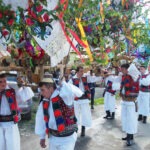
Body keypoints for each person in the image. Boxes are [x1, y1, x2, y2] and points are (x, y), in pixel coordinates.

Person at [35, 75, 83, 150]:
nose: (41, 93)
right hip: (53, 138)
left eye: (43, 90)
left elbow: (76, 93)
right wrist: (42, 137)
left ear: (50, 89)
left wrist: (63, 83)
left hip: (67, 139)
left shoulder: (64, 97)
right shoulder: (44, 102)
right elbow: (40, 120)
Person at [69, 66, 102, 136]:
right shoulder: (72, 79)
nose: (82, 72)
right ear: (77, 72)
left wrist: (102, 76)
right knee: (76, 115)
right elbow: (68, 88)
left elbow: (94, 79)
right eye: (80, 71)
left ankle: (83, 129)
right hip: (76, 100)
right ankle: (76, 129)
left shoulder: (85, 78)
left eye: (82, 71)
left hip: (84, 99)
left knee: (85, 114)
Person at [120, 64, 139, 146]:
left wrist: (130, 65)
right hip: (124, 101)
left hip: (131, 102)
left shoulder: (133, 76)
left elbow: (134, 70)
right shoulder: (123, 77)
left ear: (128, 70)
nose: (121, 70)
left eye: (123, 69)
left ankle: (130, 137)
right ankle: (128, 135)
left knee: (131, 120)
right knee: (125, 119)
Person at [0, 71, 20, 150]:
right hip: (0, 124)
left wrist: (21, 84)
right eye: (0, 81)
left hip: (11, 123)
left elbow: (24, 95)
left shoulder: (12, 90)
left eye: (4, 81)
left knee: (12, 146)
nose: (3, 83)